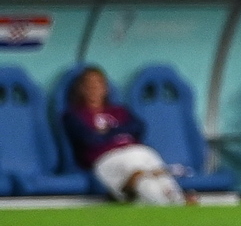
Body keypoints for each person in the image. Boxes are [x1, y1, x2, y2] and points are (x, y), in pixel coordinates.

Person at [63, 67, 190, 205]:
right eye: (89, 84)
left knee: (155, 166)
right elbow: (90, 139)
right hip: (106, 157)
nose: (94, 88)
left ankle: (177, 200)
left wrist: (108, 131)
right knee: (139, 173)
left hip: (135, 150)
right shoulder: (74, 115)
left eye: (99, 84)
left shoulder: (118, 111)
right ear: (81, 89)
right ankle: (161, 204)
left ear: (106, 88)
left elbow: (137, 127)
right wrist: (119, 131)